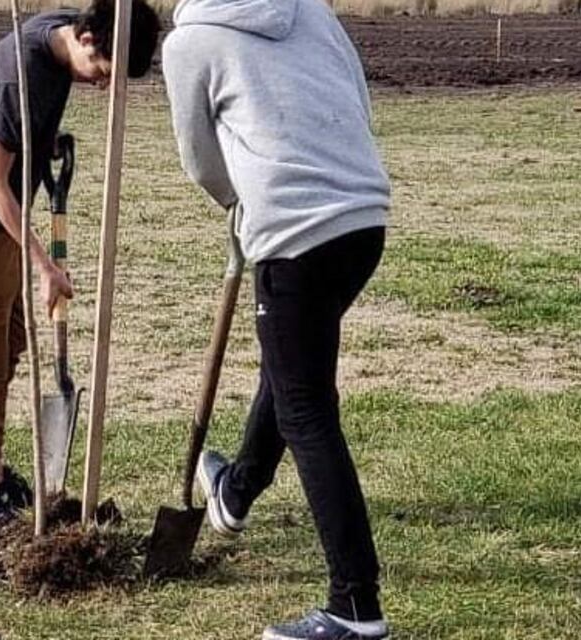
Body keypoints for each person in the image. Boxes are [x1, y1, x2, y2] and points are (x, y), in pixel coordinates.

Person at [162, 0, 392, 637]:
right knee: (292, 371)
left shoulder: (189, 44)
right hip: (362, 220)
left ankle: (355, 608)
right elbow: (357, 93)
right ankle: (234, 492)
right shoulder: (308, 7)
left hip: (295, 235)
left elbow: (198, 157)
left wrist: (237, 200)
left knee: (306, 409)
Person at [0, 0, 160, 536]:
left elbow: (17, 132)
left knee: (7, 347)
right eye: (103, 71)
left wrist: (45, 141)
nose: (103, 84)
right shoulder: (23, 74)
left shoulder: (61, 31)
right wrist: (45, 266)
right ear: (88, 40)